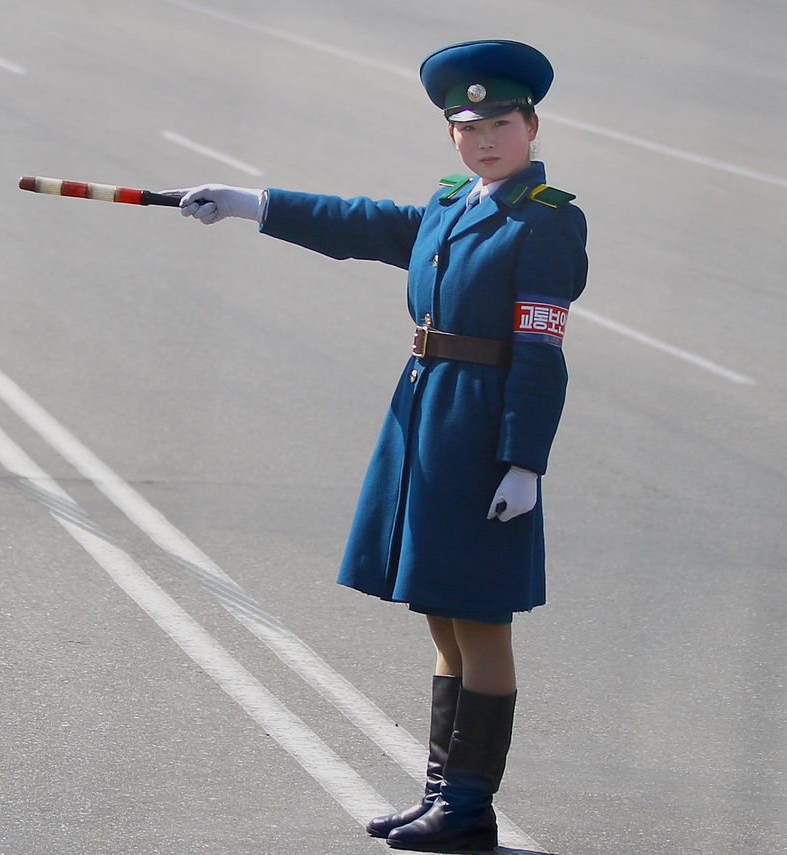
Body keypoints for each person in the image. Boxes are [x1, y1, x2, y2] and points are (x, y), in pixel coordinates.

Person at [172, 39, 588, 853]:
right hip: (426, 417)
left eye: (501, 122)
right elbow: (360, 223)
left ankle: (468, 804)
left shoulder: (546, 221)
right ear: (452, 138)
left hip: (483, 425)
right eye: (469, 128)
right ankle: (440, 791)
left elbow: (541, 350)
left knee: (481, 618)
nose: (487, 139)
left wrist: (524, 459)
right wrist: (249, 203)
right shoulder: (454, 204)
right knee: (440, 610)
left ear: (531, 124)